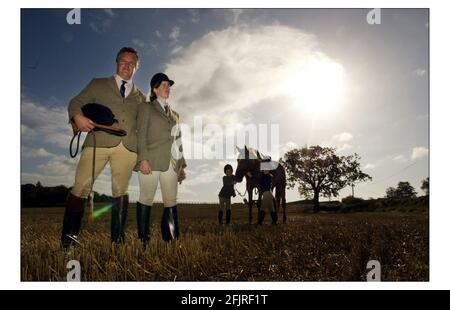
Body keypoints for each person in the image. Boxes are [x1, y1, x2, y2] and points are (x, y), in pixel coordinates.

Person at [60, 47, 145, 249]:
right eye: (123, 61)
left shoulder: (141, 97)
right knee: (80, 188)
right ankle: (68, 242)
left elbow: (143, 128)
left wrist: (143, 155)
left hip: (128, 148)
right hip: (97, 142)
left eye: (131, 63)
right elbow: (76, 102)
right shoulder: (98, 84)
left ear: (136, 67)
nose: (126, 66)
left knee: (121, 191)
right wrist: (77, 117)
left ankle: (118, 241)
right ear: (116, 62)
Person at [136, 73, 187, 245]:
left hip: (171, 164)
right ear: (155, 88)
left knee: (171, 201)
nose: (168, 88)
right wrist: (142, 159)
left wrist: (182, 166)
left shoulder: (176, 115)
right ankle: (143, 241)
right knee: (146, 199)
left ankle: (171, 239)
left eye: (169, 85)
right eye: (164, 85)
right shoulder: (146, 108)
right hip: (150, 161)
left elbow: (178, 141)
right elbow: (141, 135)